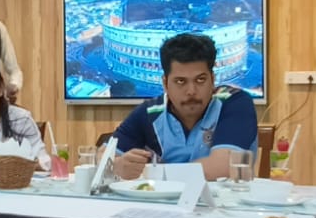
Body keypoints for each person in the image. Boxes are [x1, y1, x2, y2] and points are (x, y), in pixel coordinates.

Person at [108, 32, 258, 182]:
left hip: (223, 197)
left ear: (212, 80)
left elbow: (224, 167)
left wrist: (151, 172)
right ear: (165, 83)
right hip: (165, 197)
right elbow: (104, 155)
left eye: (200, 80)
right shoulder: (150, 112)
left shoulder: (235, 103)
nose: (191, 91)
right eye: (180, 81)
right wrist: (118, 166)